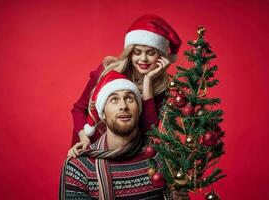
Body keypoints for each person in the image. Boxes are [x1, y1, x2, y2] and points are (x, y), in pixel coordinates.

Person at [69, 14, 182, 155]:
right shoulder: (106, 71)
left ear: (161, 56)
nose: (143, 59)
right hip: (89, 144)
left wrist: (148, 81)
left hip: (127, 152)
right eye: (137, 52)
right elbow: (78, 109)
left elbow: (148, 130)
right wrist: (84, 138)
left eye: (151, 53)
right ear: (130, 53)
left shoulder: (160, 87)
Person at [60, 71, 166, 199]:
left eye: (129, 98)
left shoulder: (161, 159)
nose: (123, 106)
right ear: (102, 114)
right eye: (114, 100)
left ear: (138, 110)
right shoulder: (80, 167)